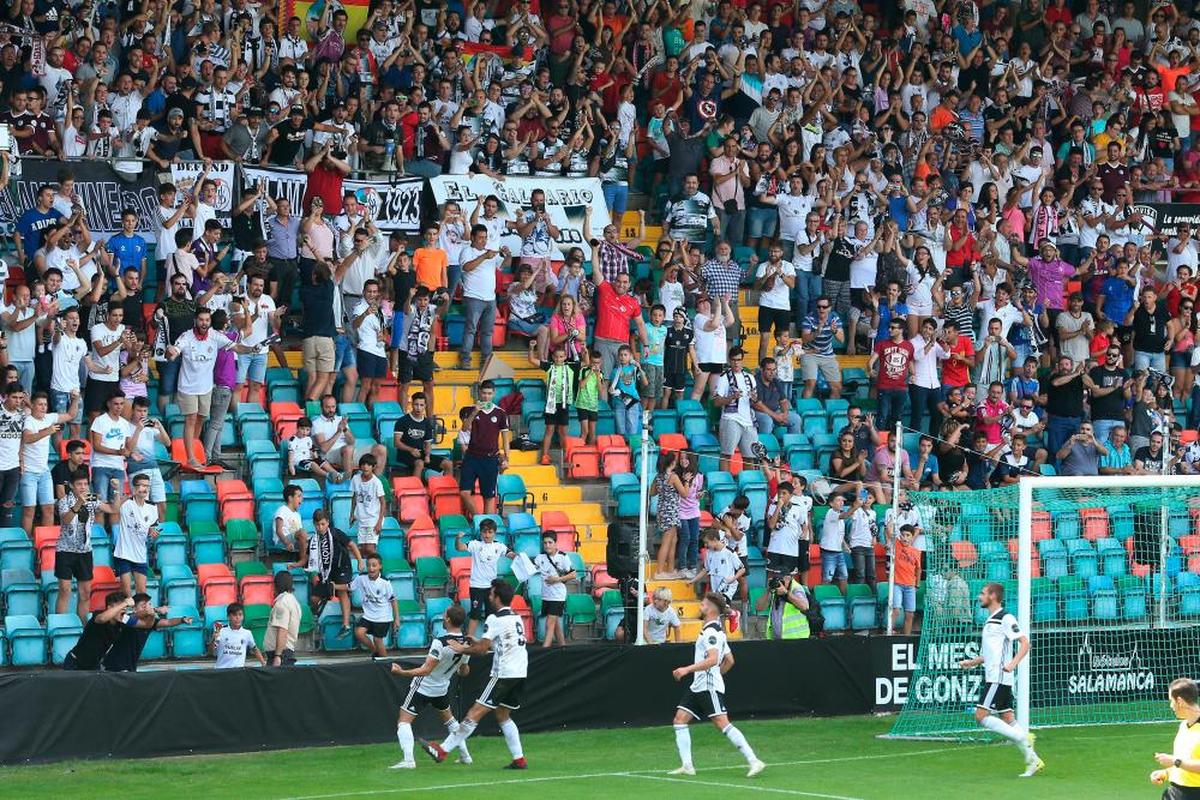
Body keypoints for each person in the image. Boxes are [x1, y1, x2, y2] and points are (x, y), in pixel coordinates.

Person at [422, 579, 530, 770]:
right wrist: (478, 640)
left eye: (491, 593)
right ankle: (519, 759)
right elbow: (500, 642)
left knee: (474, 713)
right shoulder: (515, 616)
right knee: (503, 714)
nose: (489, 596)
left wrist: (461, 649)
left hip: (504, 673)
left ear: (496, 597)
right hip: (520, 671)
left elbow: (481, 650)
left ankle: (442, 750)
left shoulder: (494, 619)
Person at [669, 591, 766, 778]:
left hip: (707, 685)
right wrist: (715, 675)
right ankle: (687, 766)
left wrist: (687, 670)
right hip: (700, 684)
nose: (701, 606)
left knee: (723, 723)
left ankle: (754, 760)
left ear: (711, 609)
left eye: (703, 604)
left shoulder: (712, 632)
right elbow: (729, 660)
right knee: (679, 720)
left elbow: (714, 659)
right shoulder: (715, 630)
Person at [957, 582, 1043, 777]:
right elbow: (990, 654)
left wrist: (1013, 664)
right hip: (994, 676)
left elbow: (1025, 643)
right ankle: (1033, 761)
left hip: (998, 678)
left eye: (983, 593)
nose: (979, 597)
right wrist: (971, 662)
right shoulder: (990, 621)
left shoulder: (1006, 617)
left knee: (980, 716)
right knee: (1007, 718)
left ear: (993, 596)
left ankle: (1023, 738)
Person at [391, 603, 473, 769]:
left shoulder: (440, 642)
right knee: (450, 721)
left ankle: (408, 760)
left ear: (448, 620)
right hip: (442, 687)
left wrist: (401, 673)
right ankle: (465, 756)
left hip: (424, 686)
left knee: (403, 721)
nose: (443, 618)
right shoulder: (465, 644)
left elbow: (426, 670)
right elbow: (464, 672)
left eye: (444, 616)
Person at [297, 509, 366, 638]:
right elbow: (307, 558)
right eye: (317, 525)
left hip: (342, 568)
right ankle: (318, 615)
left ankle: (345, 625)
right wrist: (296, 564)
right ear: (314, 524)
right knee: (314, 598)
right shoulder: (314, 540)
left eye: (323, 524)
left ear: (328, 523)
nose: (320, 527)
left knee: (341, 591)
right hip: (326, 572)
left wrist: (360, 561)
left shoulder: (335, 533)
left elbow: (352, 545)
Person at [21, 389, 78, 536]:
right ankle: (26, 545)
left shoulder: (49, 417)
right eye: (39, 404)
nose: (43, 407)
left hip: (44, 471)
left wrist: (75, 399)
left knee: (49, 509)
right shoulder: (29, 420)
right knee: (29, 510)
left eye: (45, 405)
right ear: (32, 406)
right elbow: (27, 438)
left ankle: (46, 543)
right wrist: (48, 431)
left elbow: (71, 415)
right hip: (29, 472)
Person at [102, 593, 193, 672]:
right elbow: (140, 619)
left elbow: (168, 622)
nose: (147, 608)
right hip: (114, 665)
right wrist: (155, 611)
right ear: (134, 609)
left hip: (131, 666)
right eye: (143, 606)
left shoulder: (150, 621)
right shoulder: (127, 619)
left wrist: (182, 619)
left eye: (149, 604)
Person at [458, 381, 510, 520]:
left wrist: (506, 458)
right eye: (484, 393)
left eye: (489, 393)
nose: (486, 396)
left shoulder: (500, 413)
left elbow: (505, 439)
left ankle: (486, 525)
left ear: (493, 394)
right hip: (472, 457)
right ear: (479, 393)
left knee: (488, 496)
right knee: (464, 492)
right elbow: (464, 428)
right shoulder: (471, 410)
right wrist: (475, 411)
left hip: (490, 458)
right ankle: (478, 520)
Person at [455, 517, 515, 638]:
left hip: (491, 587)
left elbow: (511, 555)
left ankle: (489, 642)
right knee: (475, 615)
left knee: (491, 616)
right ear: (481, 532)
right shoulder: (475, 544)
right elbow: (460, 548)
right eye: (484, 532)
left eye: (490, 532)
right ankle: (469, 640)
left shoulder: (499, 546)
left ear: (495, 533)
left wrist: (520, 556)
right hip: (476, 586)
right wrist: (457, 539)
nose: (487, 535)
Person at [61, 591, 147, 671]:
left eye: (125, 608)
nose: (124, 610)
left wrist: (150, 613)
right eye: (120, 607)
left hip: (94, 666)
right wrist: (125, 603)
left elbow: (145, 624)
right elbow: (102, 619)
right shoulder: (98, 615)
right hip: (75, 663)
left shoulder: (122, 622)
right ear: (109, 608)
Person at [1149, 677, 1200, 796]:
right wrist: (1166, 773)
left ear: (1180, 701)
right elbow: (1186, 762)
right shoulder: (1183, 726)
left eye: (1171, 701)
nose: (1171, 706)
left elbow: (1180, 762)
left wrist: (1174, 761)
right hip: (1175, 792)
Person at [112, 474, 161, 595]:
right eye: (142, 485)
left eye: (147, 486)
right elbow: (115, 508)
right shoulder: (126, 503)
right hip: (124, 554)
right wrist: (117, 489)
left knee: (142, 593)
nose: (145, 489)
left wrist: (152, 532)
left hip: (140, 555)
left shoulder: (152, 507)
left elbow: (152, 527)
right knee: (126, 592)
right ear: (134, 488)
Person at [350, 554, 399, 658]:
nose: (371, 568)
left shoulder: (385, 582)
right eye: (369, 565)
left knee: (377, 640)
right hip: (368, 615)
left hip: (382, 617)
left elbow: (393, 601)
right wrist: (334, 586)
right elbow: (349, 587)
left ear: (380, 566)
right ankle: (375, 651)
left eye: (374, 565)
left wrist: (396, 620)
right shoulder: (361, 578)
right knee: (359, 633)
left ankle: (387, 665)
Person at [533, 533, 576, 648]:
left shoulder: (563, 557)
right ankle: (563, 647)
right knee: (555, 623)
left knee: (549, 623)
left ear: (555, 543)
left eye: (550, 542)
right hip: (546, 595)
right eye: (545, 543)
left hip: (558, 595)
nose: (547, 545)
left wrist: (557, 579)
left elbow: (573, 575)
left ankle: (544, 650)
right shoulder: (540, 557)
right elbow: (531, 569)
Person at [755, 568, 812, 640]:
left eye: (781, 580)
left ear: (789, 578)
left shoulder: (796, 588)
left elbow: (804, 607)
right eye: (776, 579)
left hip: (797, 638)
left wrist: (786, 593)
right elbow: (759, 608)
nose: (779, 583)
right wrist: (768, 590)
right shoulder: (774, 589)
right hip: (777, 639)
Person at [693, 529, 745, 604]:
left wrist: (733, 579)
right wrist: (693, 580)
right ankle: (733, 614)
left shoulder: (729, 552)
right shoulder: (709, 553)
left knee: (722, 605)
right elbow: (705, 570)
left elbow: (742, 569)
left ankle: (733, 614)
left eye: (707, 542)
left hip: (727, 586)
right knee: (719, 609)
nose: (705, 545)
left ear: (714, 540)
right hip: (716, 586)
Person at [264, 569, 303, 667]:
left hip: (280, 654)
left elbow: (282, 630)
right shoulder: (294, 601)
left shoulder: (282, 603)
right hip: (286, 652)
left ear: (276, 585)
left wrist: (278, 655)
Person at [349, 454, 386, 558]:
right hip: (361, 518)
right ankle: (364, 571)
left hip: (373, 519)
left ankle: (378, 567)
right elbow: (354, 497)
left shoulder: (376, 482)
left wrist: (379, 522)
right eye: (363, 464)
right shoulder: (355, 479)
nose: (365, 467)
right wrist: (351, 514)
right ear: (360, 466)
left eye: (369, 464)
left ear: (373, 467)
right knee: (363, 549)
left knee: (370, 548)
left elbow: (383, 502)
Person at [889, 524, 923, 635]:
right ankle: (889, 632)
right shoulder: (897, 545)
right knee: (896, 610)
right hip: (897, 584)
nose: (905, 537)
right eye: (903, 535)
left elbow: (918, 569)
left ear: (912, 537)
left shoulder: (916, 552)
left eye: (908, 535)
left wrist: (917, 584)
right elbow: (889, 531)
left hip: (910, 585)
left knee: (910, 613)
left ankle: (906, 636)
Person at [211, 602, 267, 668]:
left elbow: (255, 649)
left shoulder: (247, 633)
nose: (238, 618)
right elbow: (211, 652)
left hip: (238, 671)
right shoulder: (221, 631)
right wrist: (213, 639)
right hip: (221, 670)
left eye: (240, 615)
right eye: (235, 615)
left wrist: (263, 663)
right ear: (228, 617)